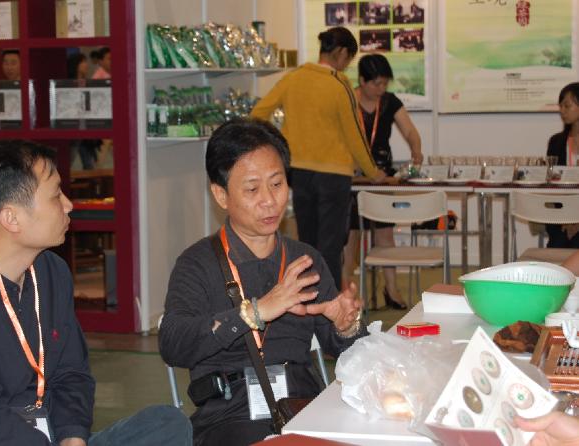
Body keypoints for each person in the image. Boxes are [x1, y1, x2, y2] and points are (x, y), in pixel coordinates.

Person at [0, 140, 192, 446]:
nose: (68, 205)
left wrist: (73, 435)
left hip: (53, 439)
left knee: (167, 423)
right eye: (56, 196)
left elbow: (72, 372)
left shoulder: (51, 272)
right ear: (11, 218)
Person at [159, 118, 366, 446]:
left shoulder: (305, 260)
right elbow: (173, 344)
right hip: (229, 414)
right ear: (221, 195)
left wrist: (346, 327)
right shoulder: (197, 264)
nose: (269, 200)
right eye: (252, 189)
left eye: (277, 184)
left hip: (302, 406)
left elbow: (357, 358)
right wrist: (253, 313)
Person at [251, 27, 386, 288]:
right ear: (342, 53)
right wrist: (372, 172)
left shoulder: (293, 78)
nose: (346, 66)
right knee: (330, 247)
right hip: (334, 176)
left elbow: (259, 113)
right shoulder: (339, 84)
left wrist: (278, 148)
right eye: (348, 60)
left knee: (307, 246)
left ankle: (309, 303)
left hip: (298, 172)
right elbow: (355, 134)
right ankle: (329, 306)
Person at [341, 53, 422, 309]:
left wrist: (416, 149)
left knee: (385, 234)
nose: (381, 89)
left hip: (381, 176)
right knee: (350, 237)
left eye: (385, 83)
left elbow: (409, 130)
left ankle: (392, 289)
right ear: (362, 81)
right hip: (353, 175)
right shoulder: (347, 99)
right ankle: (348, 291)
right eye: (376, 83)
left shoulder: (389, 102)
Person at [547, 82, 579, 248]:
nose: (562, 111)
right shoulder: (556, 142)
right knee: (558, 242)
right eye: (560, 106)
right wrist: (566, 218)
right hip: (561, 215)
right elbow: (551, 182)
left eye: (567, 106)